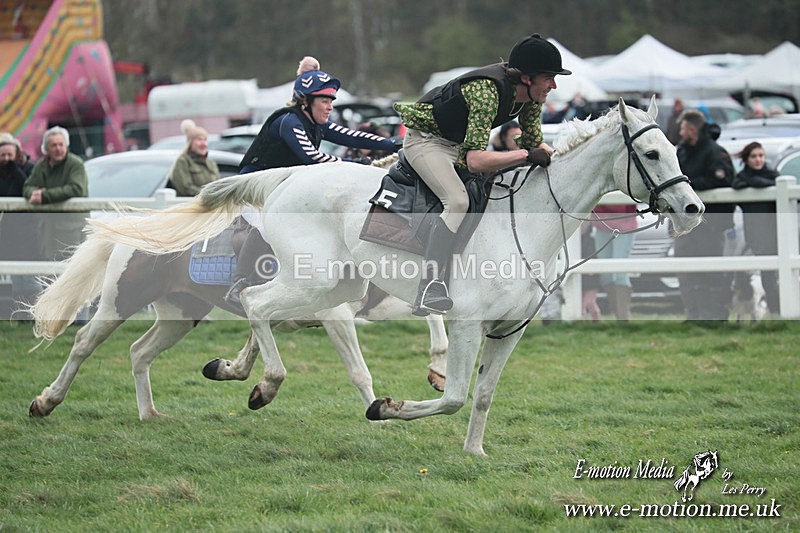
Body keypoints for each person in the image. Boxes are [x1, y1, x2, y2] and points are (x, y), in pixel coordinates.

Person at [394, 33, 569, 315]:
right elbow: (475, 160)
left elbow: (536, 143)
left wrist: (562, 159)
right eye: (549, 77)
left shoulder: (532, 97)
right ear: (527, 77)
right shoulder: (486, 91)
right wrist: (525, 155)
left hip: (456, 145)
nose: (554, 84)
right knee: (458, 201)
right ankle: (430, 285)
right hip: (426, 142)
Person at [225, 56, 402, 306]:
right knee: (265, 224)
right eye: (324, 100)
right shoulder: (289, 122)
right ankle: (239, 282)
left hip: (280, 189)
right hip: (253, 191)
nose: (329, 106)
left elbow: (351, 136)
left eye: (331, 101)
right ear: (306, 102)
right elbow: (314, 157)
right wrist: (358, 166)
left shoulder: (315, 122)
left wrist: (392, 143)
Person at [674, 109, 735, 321]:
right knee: (686, 273)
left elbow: (724, 181)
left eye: (682, 128)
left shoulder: (715, 152)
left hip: (710, 224)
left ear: (692, 129)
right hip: (683, 223)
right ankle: (694, 315)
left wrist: (691, 184)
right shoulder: (680, 151)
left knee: (712, 271)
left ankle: (717, 315)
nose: (680, 133)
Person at [23, 126, 88, 261]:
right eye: (53, 145)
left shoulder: (75, 164)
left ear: (66, 145)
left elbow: (76, 189)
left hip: (72, 229)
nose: (58, 148)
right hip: (49, 231)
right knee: (50, 273)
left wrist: (45, 196)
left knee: (71, 270)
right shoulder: (42, 165)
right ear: (46, 148)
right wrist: (33, 194)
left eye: (61, 144)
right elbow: (27, 186)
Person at [731, 141, 780, 314]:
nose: (758, 160)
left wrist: (753, 182)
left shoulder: (773, 175)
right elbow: (736, 185)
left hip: (774, 233)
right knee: (748, 274)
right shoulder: (742, 177)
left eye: (761, 155)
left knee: (771, 278)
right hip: (754, 234)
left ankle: (777, 311)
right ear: (746, 159)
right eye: (754, 156)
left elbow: (773, 183)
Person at [1, 133, 40, 317]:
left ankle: (36, 312)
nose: (6, 159)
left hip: (29, 230)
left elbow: (27, 188)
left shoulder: (30, 169)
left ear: (17, 154)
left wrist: (14, 169)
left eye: (10, 155)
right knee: (16, 275)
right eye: (3, 156)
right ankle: (21, 314)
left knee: (31, 275)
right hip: (8, 231)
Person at [591, 204, 638, 321]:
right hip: (601, 224)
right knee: (605, 275)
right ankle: (619, 316)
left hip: (625, 224)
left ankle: (623, 318)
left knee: (620, 273)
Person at [168, 119, 220, 196]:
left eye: (205, 140)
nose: (204, 143)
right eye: (199, 139)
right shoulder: (182, 161)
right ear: (190, 142)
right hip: (192, 206)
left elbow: (218, 185)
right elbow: (186, 189)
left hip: (210, 206)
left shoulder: (211, 163)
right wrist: (209, 195)